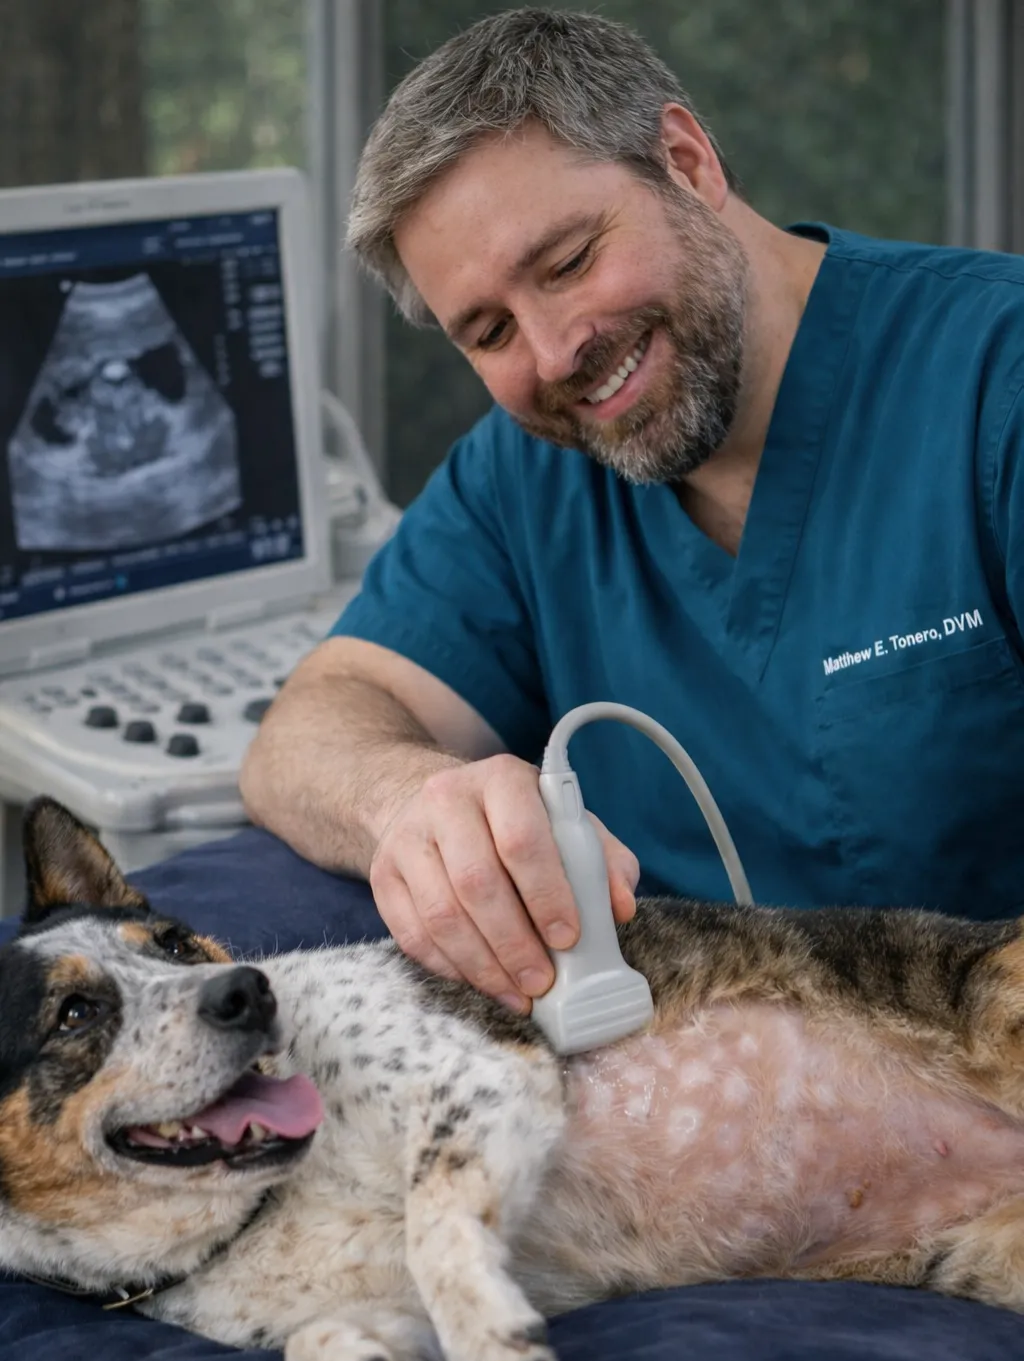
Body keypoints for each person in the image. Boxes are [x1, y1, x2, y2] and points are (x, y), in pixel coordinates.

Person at [241, 6, 1024, 1016]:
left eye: (567, 262)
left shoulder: (990, 384)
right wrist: (406, 802)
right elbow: (304, 731)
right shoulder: (526, 479)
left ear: (688, 161)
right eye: (486, 330)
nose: (555, 351)